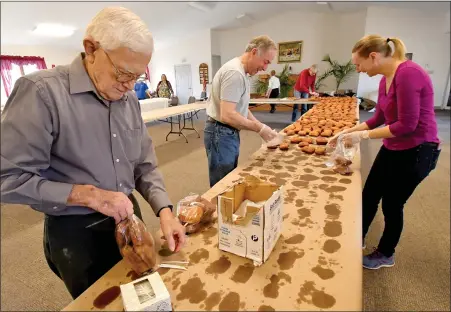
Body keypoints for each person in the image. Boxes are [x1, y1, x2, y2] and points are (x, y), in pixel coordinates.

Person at [0, 7, 186, 299]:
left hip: (129, 214)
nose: (128, 87)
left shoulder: (128, 99)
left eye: (136, 78)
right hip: (77, 230)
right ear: (91, 48)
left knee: (141, 294)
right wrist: (90, 195)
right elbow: (7, 179)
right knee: (99, 302)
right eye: (123, 73)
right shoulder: (41, 93)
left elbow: (144, 165)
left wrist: (165, 211)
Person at [329, 35, 441, 269]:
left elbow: (407, 125)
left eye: (359, 65)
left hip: (418, 150)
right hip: (394, 146)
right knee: (369, 195)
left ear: (373, 56)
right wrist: (345, 132)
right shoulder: (384, 79)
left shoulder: (409, 73)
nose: (358, 70)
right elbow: (378, 118)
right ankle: (355, 239)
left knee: (392, 204)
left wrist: (361, 137)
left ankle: (385, 253)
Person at [204, 35, 279, 187]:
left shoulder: (242, 72)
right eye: (265, 62)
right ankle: (220, 210)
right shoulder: (235, 73)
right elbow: (228, 115)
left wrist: (260, 125)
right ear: (254, 52)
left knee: (229, 178)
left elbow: (241, 108)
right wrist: (259, 128)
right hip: (221, 133)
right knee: (222, 185)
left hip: (225, 132)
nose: (265, 68)